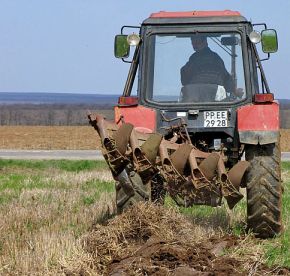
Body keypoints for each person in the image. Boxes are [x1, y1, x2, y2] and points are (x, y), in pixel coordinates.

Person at [180, 34, 238, 101]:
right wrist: (234, 90)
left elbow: (184, 79)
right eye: (193, 43)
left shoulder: (194, 59)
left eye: (197, 43)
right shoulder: (216, 58)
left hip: (197, 100)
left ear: (205, 42)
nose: (194, 45)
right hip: (216, 102)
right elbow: (226, 79)